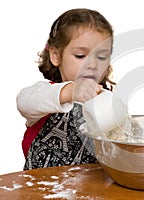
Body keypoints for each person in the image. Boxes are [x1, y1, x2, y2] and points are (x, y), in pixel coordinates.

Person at [16, 8, 115, 170]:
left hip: (92, 190)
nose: (92, 65)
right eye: (80, 56)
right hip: (41, 189)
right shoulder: (47, 94)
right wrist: (69, 92)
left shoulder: (106, 100)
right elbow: (24, 102)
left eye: (102, 57)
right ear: (55, 56)